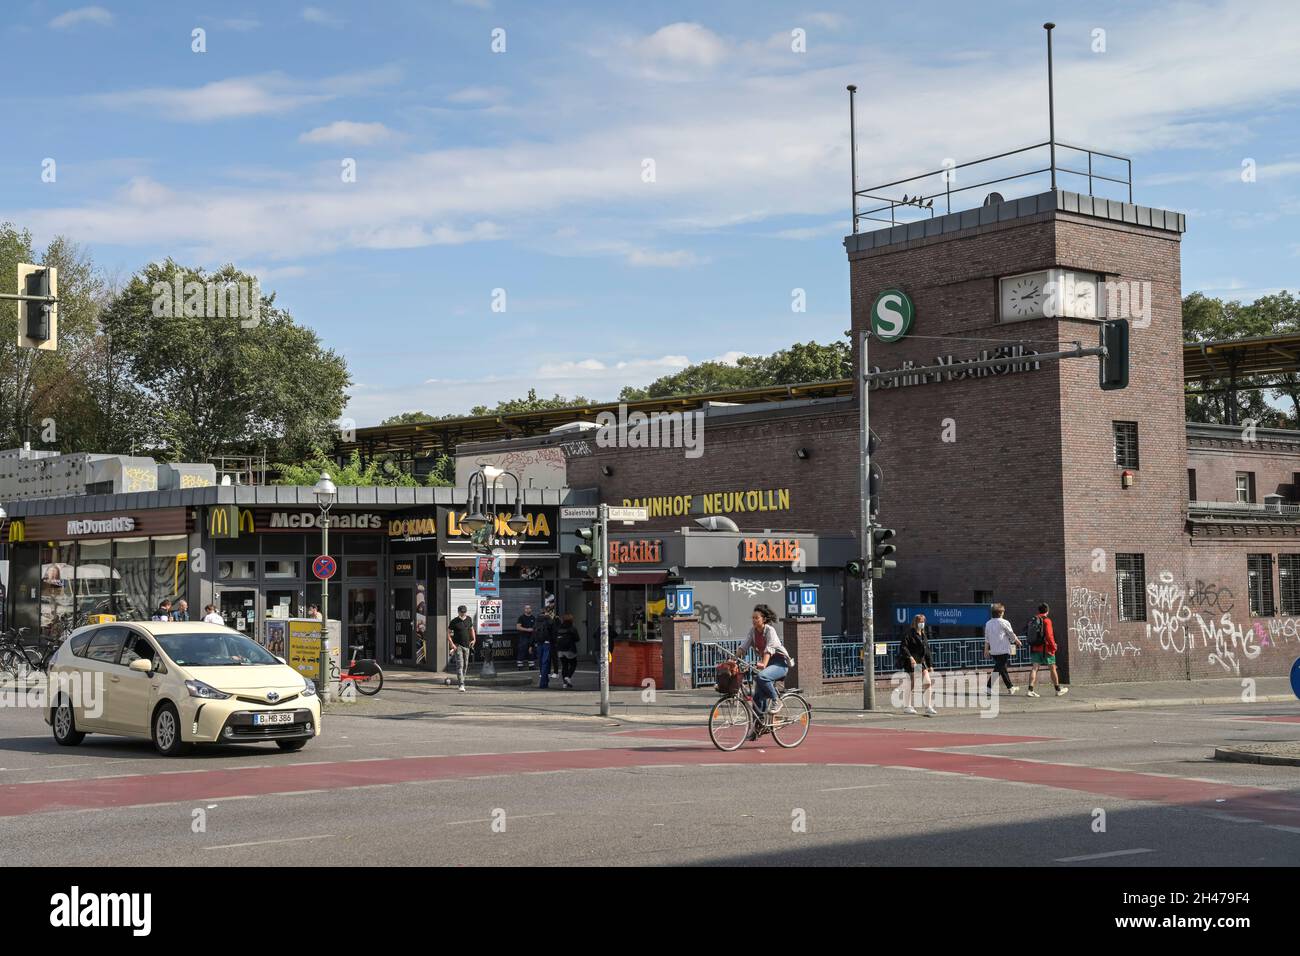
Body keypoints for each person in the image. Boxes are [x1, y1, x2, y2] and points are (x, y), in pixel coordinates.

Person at [736, 604, 793, 739]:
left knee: (761, 676)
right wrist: (733, 659)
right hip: (767, 665)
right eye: (753, 618)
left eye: (757, 618)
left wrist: (763, 664)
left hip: (779, 663)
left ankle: (776, 700)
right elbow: (743, 647)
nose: (754, 620)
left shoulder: (770, 631)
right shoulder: (753, 631)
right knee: (757, 698)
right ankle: (758, 727)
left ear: (764, 619)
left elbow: (769, 649)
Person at [898, 613, 937, 716]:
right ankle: (907, 706)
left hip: (921, 662)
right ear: (916, 623)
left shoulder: (923, 634)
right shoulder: (909, 634)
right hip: (912, 662)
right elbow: (903, 647)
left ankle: (928, 706)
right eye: (920, 622)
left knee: (927, 682)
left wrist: (930, 664)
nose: (922, 624)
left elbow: (926, 650)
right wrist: (910, 657)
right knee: (911, 684)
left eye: (923, 622)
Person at [1027, 602, 1068, 697]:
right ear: (1047, 611)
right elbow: (1049, 636)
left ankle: (1030, 690)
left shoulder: (1033, 619)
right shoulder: (1047, 620)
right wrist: (1054, 647)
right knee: (1052, 668)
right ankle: (1058, 690)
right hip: (1046, 649)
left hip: (1035, 647)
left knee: (1034, 668)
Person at [984, 603, 1022, 696]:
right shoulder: (1004, 622)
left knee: (1002, 668)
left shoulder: (988, 623)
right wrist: (1017, 641)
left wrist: (986, 650)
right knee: (998, 669)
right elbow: (1011, 633)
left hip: (994, 651)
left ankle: (1010, 687)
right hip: (1004, 649)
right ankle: (988, 688)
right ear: (1001, 613)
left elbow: (987, 638)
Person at [447, 605, 476, 692]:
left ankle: (462, 680)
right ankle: (461, 684)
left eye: (464, 612)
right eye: (462, 612)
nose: (463, 613)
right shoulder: (454, 621)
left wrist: (474, 639)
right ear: (458, 612)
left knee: (466, 665)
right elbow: (448, 633)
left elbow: (471, 629)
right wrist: (452, 644)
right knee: (460, 665)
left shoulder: (469, 619)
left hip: (467, 645)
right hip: (458, 645)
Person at [535, 607, 557, 689]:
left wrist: (533, 643)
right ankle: (543, 683)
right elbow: (554, 632)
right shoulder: (549, 620)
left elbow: (534, 632)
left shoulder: (537, 620)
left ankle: (544, 681)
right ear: (547, 612)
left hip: (539, 643)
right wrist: (554, 642)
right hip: (547, 643)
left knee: (541, 662)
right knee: (545, 662)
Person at [556, 613, 580, 689]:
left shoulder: (559, 627)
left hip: (560, 649)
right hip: (569, 649)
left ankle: (565, 684)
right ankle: (568, 677)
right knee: (573, 664)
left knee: (564, 666)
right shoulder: (572, 628)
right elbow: (577, 638)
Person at [516, 604, 536, 670]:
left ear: (531, 609)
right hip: (523, 637)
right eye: (526, 608)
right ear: (524, 610)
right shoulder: (521, 617)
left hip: (531, 637)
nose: (528, 609)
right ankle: (520, 666)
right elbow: (518, 627)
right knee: (522, 650)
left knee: (531, 651)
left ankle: (531, 666)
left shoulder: (533, 618)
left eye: (529, 608)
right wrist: (527, 629)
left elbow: (535, 627)